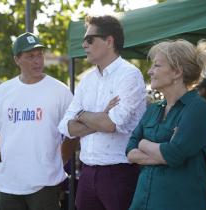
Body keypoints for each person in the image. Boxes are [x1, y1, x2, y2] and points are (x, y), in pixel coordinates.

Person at [58, 15, 147, 210]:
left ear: (109, 41)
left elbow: (111, 124)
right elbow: (66, 126)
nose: (84, 45)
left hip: (120, 173)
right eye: (83, 40)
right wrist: (99, 116)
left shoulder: (130, 75)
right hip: (87, 172)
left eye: (89, 39)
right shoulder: (87, 80)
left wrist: (81, 113)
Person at [126, 39, 206, 210]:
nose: (150, 71)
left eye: (157, 66)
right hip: (142, 202)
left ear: (177, 72)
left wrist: (144, 144)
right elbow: (130, 151)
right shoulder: (154, 108)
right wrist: (160, 152)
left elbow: (173, 155)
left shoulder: (197, 108)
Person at [0, 32, 73, 210]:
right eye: (30, 56)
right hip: (9, 184)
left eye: (40, 55)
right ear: (17, 60)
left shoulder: (60, 91)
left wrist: (61, 159)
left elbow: (74, 132)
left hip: (45, 183)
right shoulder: (4, 90)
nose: (38, 61)